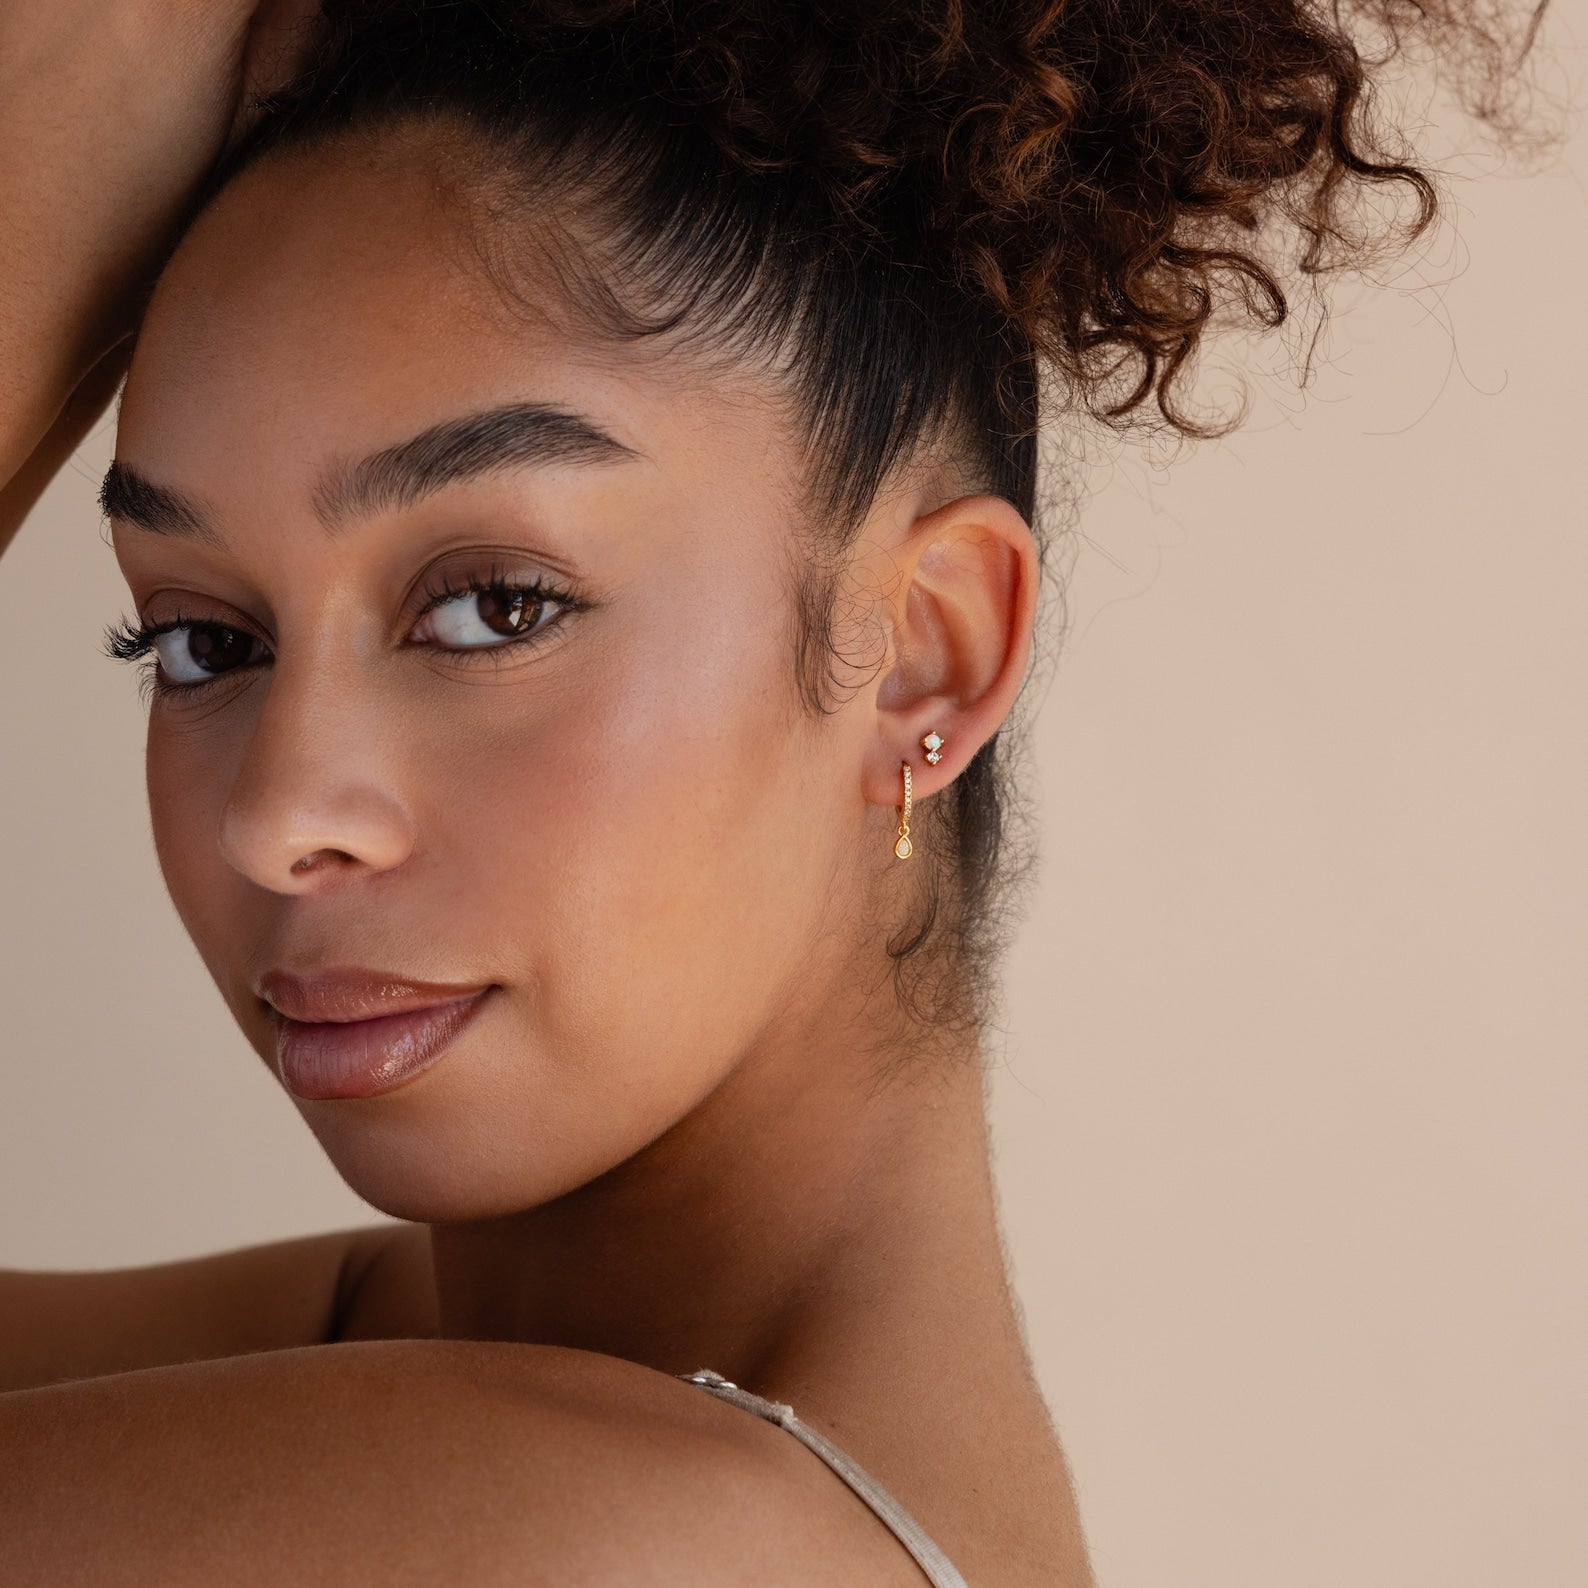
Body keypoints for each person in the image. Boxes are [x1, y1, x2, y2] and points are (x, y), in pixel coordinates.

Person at [0, 1, 1548, 1582]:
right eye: (202, 637)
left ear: (926, 653)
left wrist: (107, 66)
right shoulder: (472, 1393)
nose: (278, 812)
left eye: (495, 608)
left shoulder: (630, 1545)